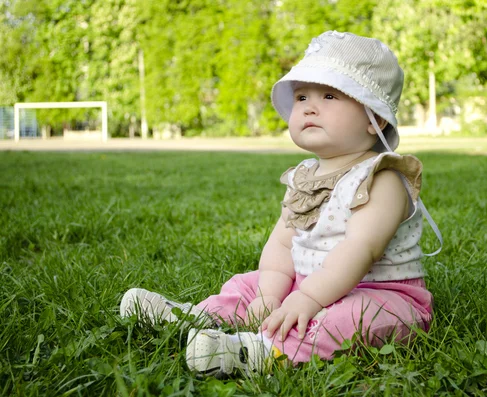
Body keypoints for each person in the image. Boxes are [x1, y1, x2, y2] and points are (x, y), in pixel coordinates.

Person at [119, 30, 442, 377]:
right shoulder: (304, 176)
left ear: (374, 118)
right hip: (310, 282)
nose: (310, 107)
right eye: (301, 97)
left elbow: (360, 249)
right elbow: (283, 241)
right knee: (248, 284)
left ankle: (260, 351)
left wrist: (309, 298)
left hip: (379, 293)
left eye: (330, 95)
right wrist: (271, 293)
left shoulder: (382, 178)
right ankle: (194, 316)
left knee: (350, 317)